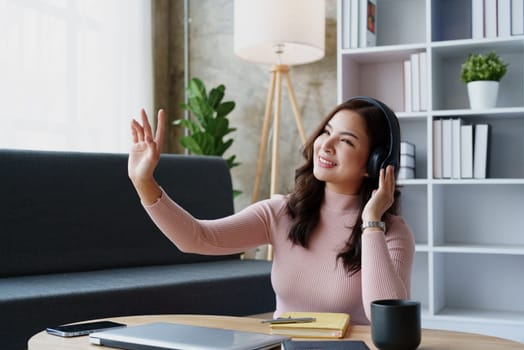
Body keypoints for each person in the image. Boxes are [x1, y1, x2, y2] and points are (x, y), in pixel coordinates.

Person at [128, 97, 415, 324]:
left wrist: (371, 221)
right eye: (327, 132)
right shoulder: (281, 211)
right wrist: (144, 183)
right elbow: (197, 238)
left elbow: (386, 317)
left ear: (374, 163)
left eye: (346, 140)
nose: (325, 145)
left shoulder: (392, 232)